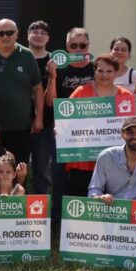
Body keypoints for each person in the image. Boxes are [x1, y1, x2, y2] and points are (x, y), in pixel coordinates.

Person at [63, 54, 136, 198]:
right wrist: (60, 130)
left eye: (109, 71)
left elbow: (132, 128)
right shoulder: (81, 92)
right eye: (100, 71)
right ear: (94, 71)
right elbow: (65, 122)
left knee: (108, 204)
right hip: (82, 160)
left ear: (116, 73)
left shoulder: (125, 96)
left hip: (114, 163)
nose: (104, 75)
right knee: (79, 201)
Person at [44, 27, 94, 222]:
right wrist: (53, 76)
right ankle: (58, 217)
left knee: (89, 175)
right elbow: (50, 102)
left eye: (82, 45)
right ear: (67, 47)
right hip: (62, 132)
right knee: (59, 174)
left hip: (92, 132)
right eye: (74, 45)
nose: (78, 49)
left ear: (88, 46)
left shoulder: (97, 68)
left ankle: (86, 215)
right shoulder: (60, 68)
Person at [0, 18, 42, 165]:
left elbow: (37, 88)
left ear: (17, 34)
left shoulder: (27, 55)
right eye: (0, 33)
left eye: (9, 32)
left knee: (19, 170)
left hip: (20, 127)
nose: (5, 36)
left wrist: (39, 118)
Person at [26, 20, 53, 195]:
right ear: (27, 35)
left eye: (43, 32)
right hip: (19, 120)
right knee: (14, 166)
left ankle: (41, 215)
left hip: (47, 122)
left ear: (48, 38)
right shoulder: (19, 56)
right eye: (35, 31)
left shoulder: (54, 60)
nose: (39, 35)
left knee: (42, 170)